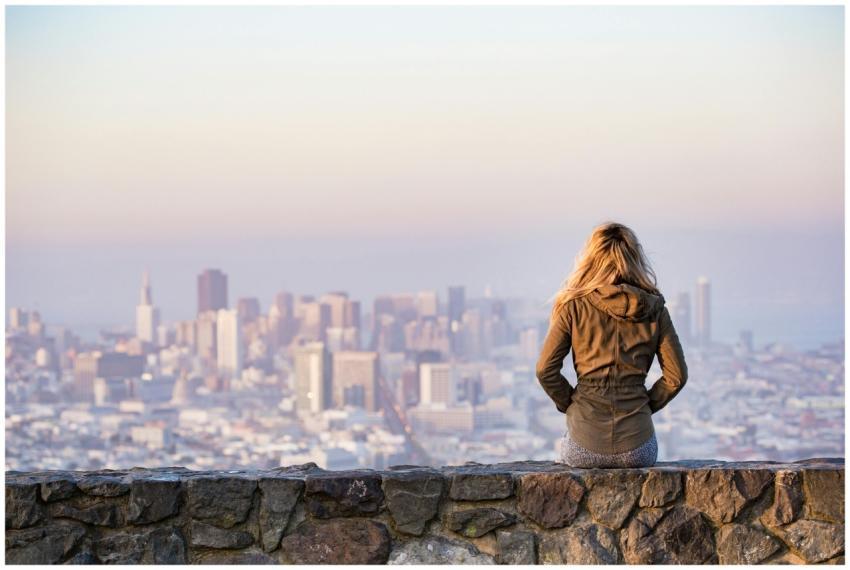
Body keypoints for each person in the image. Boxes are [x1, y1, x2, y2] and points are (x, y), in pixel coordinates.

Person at [536, 221, 688, 468]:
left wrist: (572, 404)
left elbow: (545, 370)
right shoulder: (655, 309)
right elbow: (677, 376)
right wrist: (644, 406)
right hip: (639, 447)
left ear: (591, 259)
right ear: (635, 259)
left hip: (584, 443)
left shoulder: (573, 307)